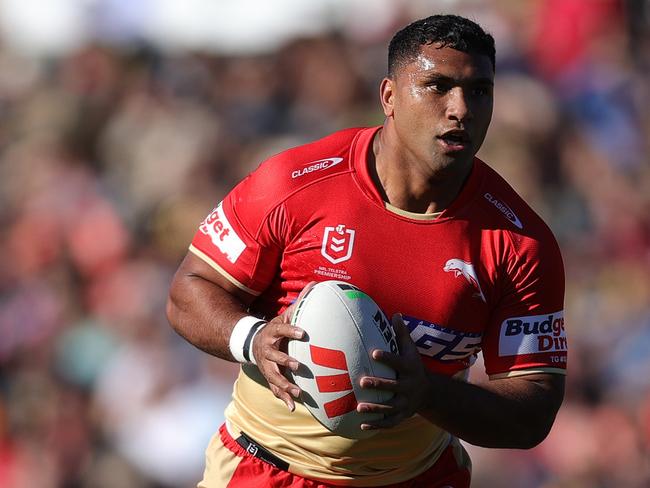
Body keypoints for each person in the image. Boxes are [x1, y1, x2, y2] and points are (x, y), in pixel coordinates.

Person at [167, 14, 567, 488]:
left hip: (417, 478)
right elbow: (188, 291)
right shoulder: (294, 184)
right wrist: (251, 339)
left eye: (479, 90)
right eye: (437, 86)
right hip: (268, 469)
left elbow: (533, 411)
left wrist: (426, 395)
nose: (461, 108)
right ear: (389, 97)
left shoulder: (520, 243)